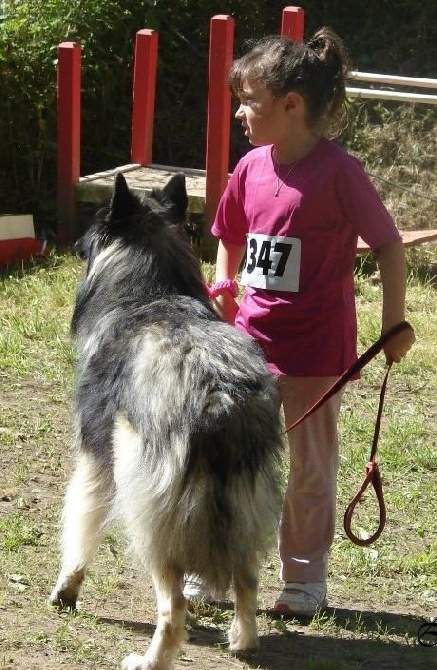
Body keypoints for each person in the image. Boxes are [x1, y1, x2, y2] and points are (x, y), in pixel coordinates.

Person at [183, 27, 415, 616]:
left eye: (248, 99)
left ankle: (304, 582)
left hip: (314, 354)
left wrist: (394, 325)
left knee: (308, 473)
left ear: (291, 105)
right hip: (247, 349)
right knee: (232, 462)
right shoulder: (250, 168)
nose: (239, 112)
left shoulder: (339, 172)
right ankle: (216, 570)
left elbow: (389, 245)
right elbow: (229, 239)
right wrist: (223, 288)